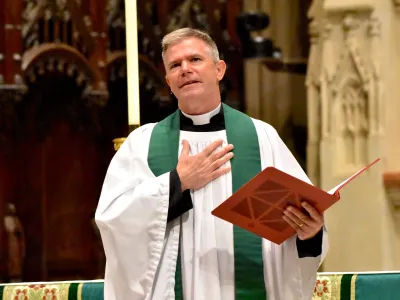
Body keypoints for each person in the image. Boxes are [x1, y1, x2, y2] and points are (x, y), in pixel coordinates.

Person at [95, 28, 329, 300]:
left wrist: (310, 233)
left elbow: (298, 217)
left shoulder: (261, 137)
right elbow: (113, 219)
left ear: (219, 69)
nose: (185, 69)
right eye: (175, 65)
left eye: (195, 60)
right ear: (168, 82)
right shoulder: (142, 143)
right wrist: (176, 183)